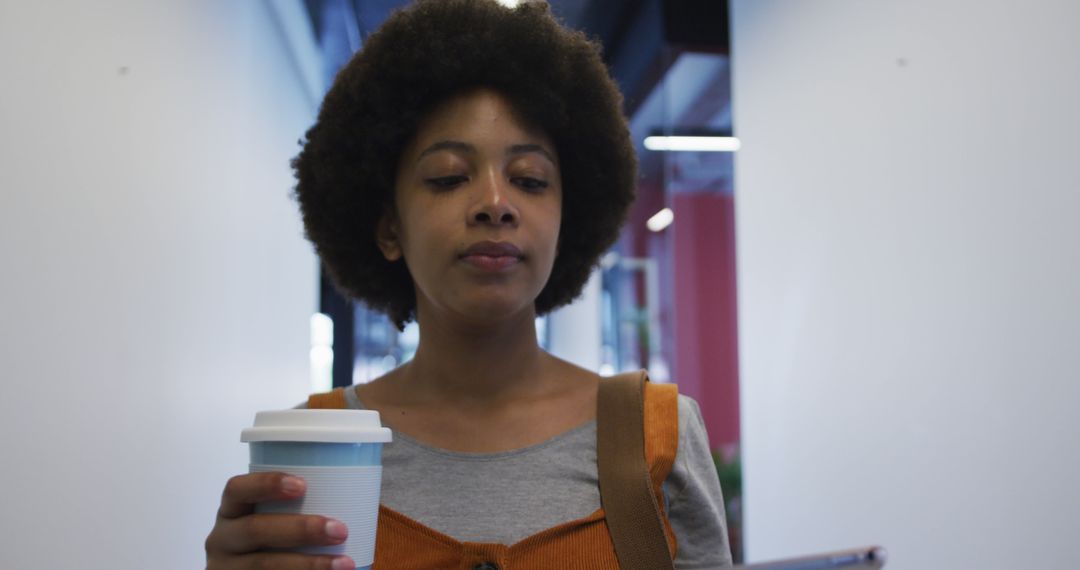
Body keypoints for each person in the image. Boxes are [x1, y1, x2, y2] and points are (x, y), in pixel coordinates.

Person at [204, 0, 732, 568]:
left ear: (566, 221)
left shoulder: (657, 435)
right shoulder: (313, 447)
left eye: (530, 180)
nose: (495, 204)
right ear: (388, 227)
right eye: (449, 177)